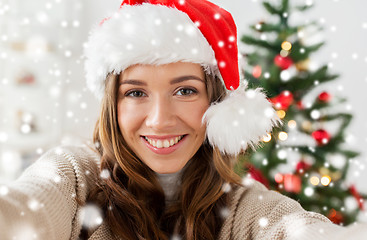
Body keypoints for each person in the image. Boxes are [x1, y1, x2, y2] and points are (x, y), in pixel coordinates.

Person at [0, 0, 366, 239]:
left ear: (216, 103)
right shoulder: (75, 176)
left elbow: (299, 230)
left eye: (185, 91)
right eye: (136, 92)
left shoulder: (244, 209)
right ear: (114, 104)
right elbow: (25, 209)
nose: (159, 121)